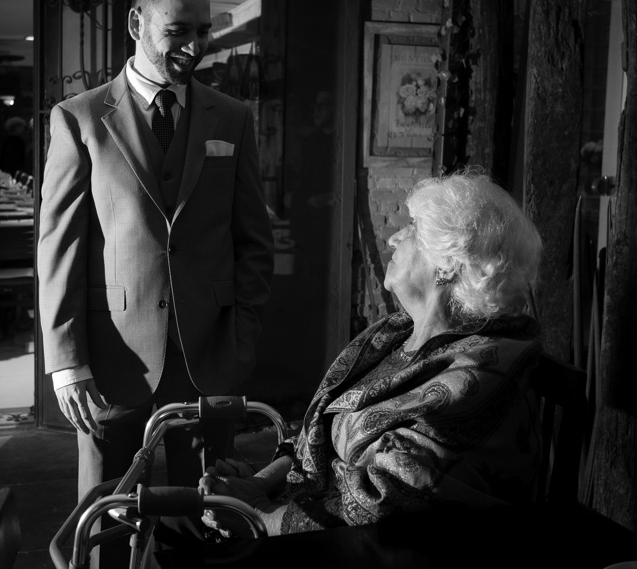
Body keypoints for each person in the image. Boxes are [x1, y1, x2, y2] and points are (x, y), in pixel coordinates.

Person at [37, 0, 274, 566]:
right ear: (137, 23)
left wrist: (242, 334)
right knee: (107, 512)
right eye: (178, 31)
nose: (194, 46)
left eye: (203, 30)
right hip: (113, 357)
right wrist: (67, 363)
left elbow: (253, 238)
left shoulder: (233, 118)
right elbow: (59, 246)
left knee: (209, 510)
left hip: (210, 355)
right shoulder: (81, 119)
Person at [188, 171, 543, 541]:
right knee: (175, 517)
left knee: (170, 524)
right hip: (306, 513)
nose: (393, 238)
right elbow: (318, 431)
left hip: (359, 549)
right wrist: (260, 484)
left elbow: (383, 502)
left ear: (448, 265)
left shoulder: (478, 374)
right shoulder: (396, 332)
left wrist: (260, 514)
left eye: (412, 229)